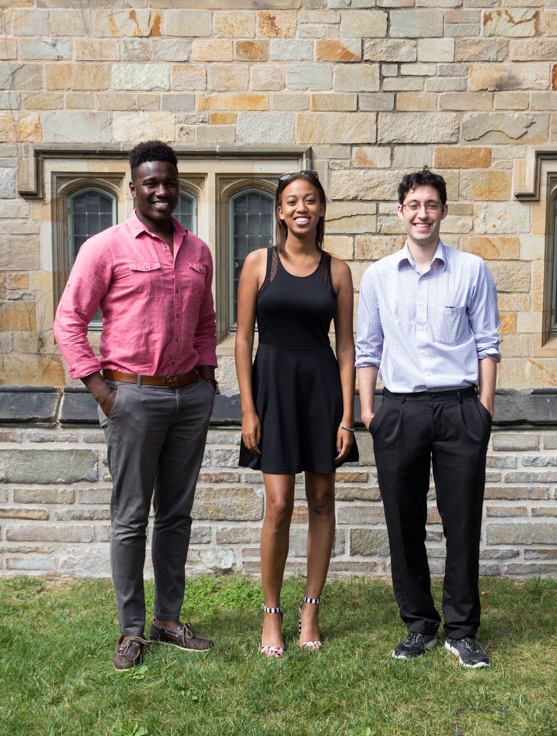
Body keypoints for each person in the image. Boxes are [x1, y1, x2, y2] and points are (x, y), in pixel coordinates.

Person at [53, 141, 218, 671]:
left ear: (179, 184)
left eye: (169, 182)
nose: (162, 191)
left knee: (176, 514)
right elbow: (69, 321)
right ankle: (130, 630)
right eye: (151, 183)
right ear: (133, 187)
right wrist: (102, 391)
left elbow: (208, 322)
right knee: (130, 518)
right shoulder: (105, 247)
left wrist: (208, 380)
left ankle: (168, 620)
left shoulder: (198, 252)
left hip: (188, 396)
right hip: (133, 396)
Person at [355, 167, 501, 668]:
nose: (422, 213)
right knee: (404, 523)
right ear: (401, 212)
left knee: (462, 523)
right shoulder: (377, 277)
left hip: (460, 409)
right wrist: (369, 412)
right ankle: (418, 625)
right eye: (413, 205)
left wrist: (484, 411)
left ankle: (462, 630)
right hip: (400, 411)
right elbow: (367, 349)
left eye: (431, 204)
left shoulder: (472, 270)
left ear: (443, 211)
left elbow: (487, 344)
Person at [235, 170, 358, 658]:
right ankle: (272, 615)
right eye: (292, 201)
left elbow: (347, 347)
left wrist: (348, 417)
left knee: (323, 499)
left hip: (321, 390)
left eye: (310, 200)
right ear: (281, 212)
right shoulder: (258, 264)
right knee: (280, 503)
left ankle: (310, 610)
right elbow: (243, 340)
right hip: (273, 390)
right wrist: (247, 408)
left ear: (321, 209)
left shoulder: (338, 271)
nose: (301, 207)